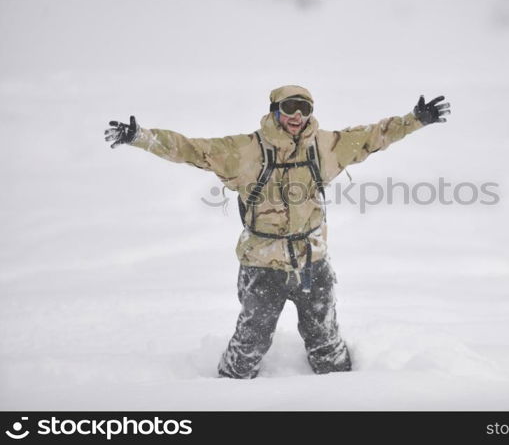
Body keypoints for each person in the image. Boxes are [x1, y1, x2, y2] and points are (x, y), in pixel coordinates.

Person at [104, 85, 451, 378]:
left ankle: (344, 399)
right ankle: (222, 401)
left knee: (326, 343)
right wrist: (139, 137)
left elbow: (375, 136)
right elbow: (190, 149)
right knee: (249, 346)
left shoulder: (326, 147)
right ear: (275, 111)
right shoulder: (244, 151)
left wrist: (416, 120)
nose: (297, 115)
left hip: (313, 263)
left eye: (305, 108)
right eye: (290, 108)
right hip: (262, 265)